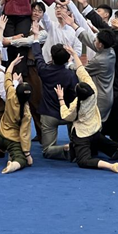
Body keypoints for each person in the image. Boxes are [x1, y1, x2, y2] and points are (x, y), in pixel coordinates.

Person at [73, 0, 118, 144]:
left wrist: (85, 6)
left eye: (116, 18)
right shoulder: (115, 33)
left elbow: (101, 26)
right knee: (114, 110)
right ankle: (113, 138)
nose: (113, 20)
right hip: (113, 76)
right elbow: (101, 25)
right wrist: (85, 5)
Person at [56, 46, 118, 173]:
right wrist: (74, 54)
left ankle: (110, 166)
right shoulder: (93, 90)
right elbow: (81, 70)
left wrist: (61, 98)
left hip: (83, 134)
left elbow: (66, 115)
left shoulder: (76, 105)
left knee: (83, 161)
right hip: (94, 126)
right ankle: (115, 148)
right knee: (97, 139)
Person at [30, 21, 79, 160]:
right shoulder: (71, 75)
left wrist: (36, 36)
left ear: (51, 57)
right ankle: (75, 146)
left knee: (47, 150)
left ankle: (64, 148)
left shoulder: (44, 70)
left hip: (49, 114)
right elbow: (75, 94)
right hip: (68, 113)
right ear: (67, 58)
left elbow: (38, 55)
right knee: (76, 137)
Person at [61, 9, 117, 123]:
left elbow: (82, 71)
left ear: (100, 44)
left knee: (91, 125)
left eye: (96, 40)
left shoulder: (100, 60)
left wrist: (70, 62)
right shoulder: (110, 51)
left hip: (100, 99)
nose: (94, 40)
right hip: (106, 95)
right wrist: (73, 24)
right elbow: (89, 39)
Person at [7, 1, 49, 142]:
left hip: (32, 68)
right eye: (34, 10)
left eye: (39, 11)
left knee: (36, 101)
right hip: (18, 66)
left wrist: (10, 41)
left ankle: (42, 134)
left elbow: (27, 41)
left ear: (43, 15)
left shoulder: (43, 31)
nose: (36, 13)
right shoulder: (20, 25)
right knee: (15, 101)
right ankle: (15, 134)